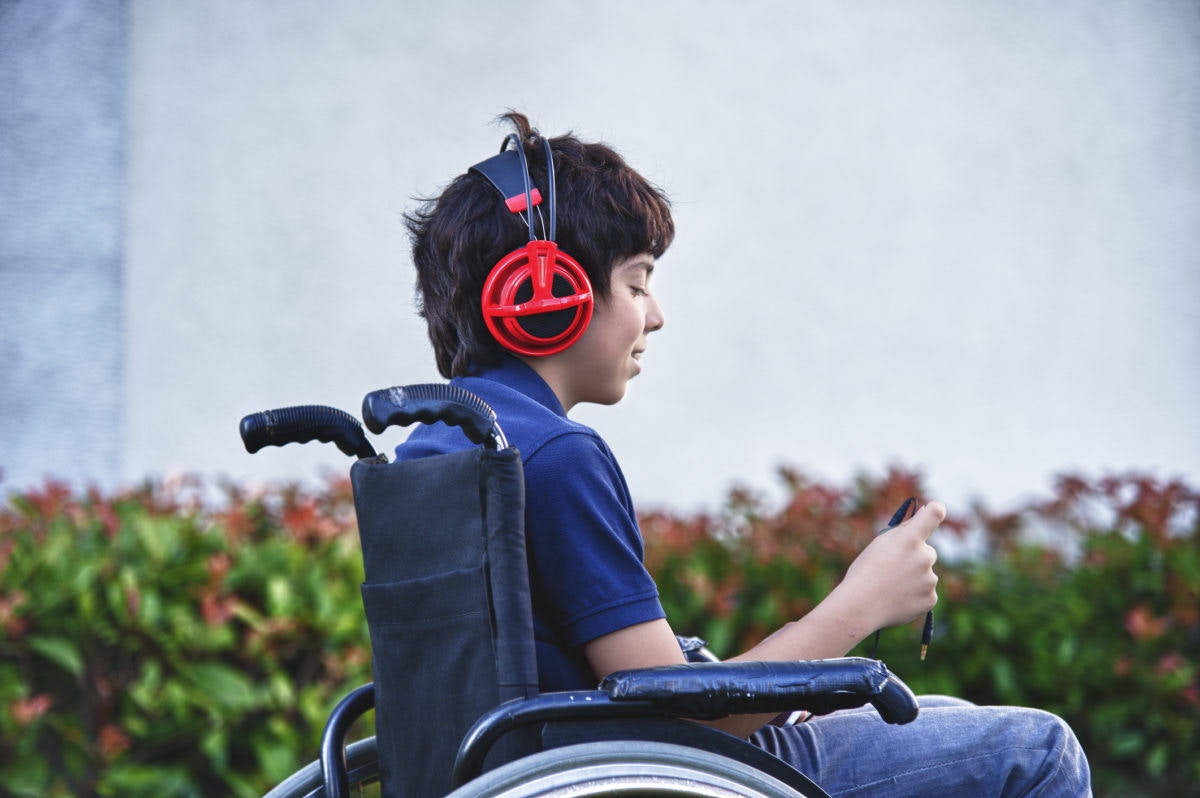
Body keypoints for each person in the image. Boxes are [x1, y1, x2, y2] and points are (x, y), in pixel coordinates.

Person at [395, 111, 1092, 797]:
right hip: (641, 776)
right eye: (638, 283)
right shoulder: (555, 455)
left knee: (950, 722)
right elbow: (682, 719)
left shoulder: (439, 445)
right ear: (544, 296)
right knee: (1038, 751)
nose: (656, 315)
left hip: (530, 764)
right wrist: (863, 603)